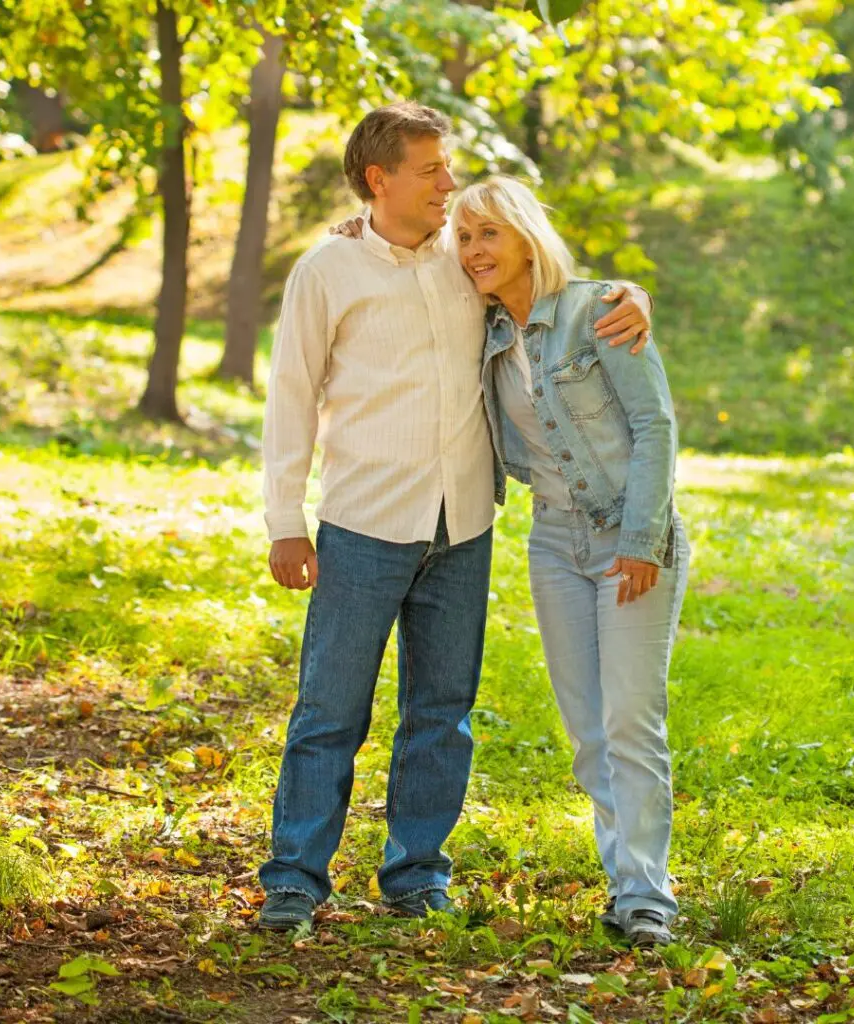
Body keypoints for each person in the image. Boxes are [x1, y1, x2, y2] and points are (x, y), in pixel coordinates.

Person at [258, 101, 653, 930]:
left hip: (464, 524)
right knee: (330, 709)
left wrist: (632, 295)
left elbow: (554, 288)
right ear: (380, 179)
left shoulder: (467, 259)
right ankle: (295, 876)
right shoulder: (325, 272)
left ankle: (415, 876)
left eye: (449, 166)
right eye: (432, 169)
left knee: (442, 712)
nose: (450, 182)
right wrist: (284, 519)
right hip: (363, 522)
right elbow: (291, 394)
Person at [453, 176, 689, 948]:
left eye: (488, 233)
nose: (473, 251)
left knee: (630, 717)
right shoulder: (483, 328)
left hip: (629, 536)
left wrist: (641, 541)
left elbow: (654, 426)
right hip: (553, 540)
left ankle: (647, 894)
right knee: (588, 729)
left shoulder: (596, 311)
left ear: (525, 235)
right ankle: (625, 884)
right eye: (463, 237)